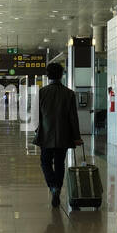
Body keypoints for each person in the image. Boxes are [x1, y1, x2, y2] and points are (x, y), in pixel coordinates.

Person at [32, 61, 82, 208]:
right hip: (64, 136)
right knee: (60, 163)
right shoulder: (69, 94)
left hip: (46, 135)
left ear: (48, 76)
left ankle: (53, 186)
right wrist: (77, 137)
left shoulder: (41, 93)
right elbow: (73, 117)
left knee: (45, 162)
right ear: (61, 75)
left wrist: (38, 129)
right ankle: (57, 188)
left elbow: (36, 115)